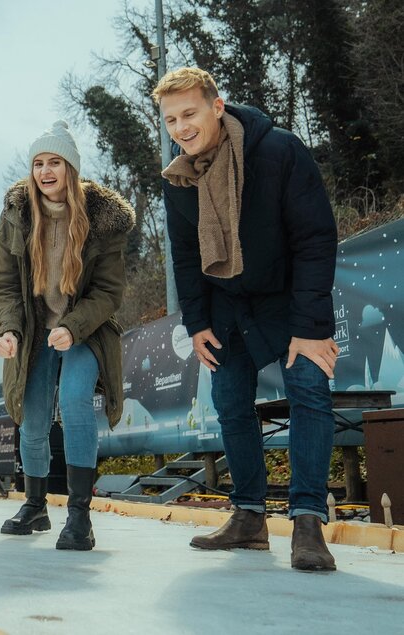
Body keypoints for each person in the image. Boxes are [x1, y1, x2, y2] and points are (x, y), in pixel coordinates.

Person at [154, 68, 340, 572]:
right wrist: (197, 325)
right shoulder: (179, 180)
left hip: (288, 302)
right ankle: (250, 519)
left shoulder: (278, 150)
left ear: (217, 106)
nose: (181, 128)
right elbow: (187, 260)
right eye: (171, 120)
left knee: (309, 393)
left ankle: (307, 523)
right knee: (231, 405)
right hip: (226, 308)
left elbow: (315, 239)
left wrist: (310, 327)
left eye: (189, 113)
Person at [0, 121, 134, 551]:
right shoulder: (16, 216)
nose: (45, 171)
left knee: (73, 401)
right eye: (38, 163)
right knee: (32, 418)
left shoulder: (102, 221)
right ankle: (35, 506)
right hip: (35, 332)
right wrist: (10, 329)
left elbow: (110, 292)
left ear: (70, 168)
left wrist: (73, 327)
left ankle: (79, 516)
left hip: (85, 330)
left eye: (54, 162)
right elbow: (5, 284)